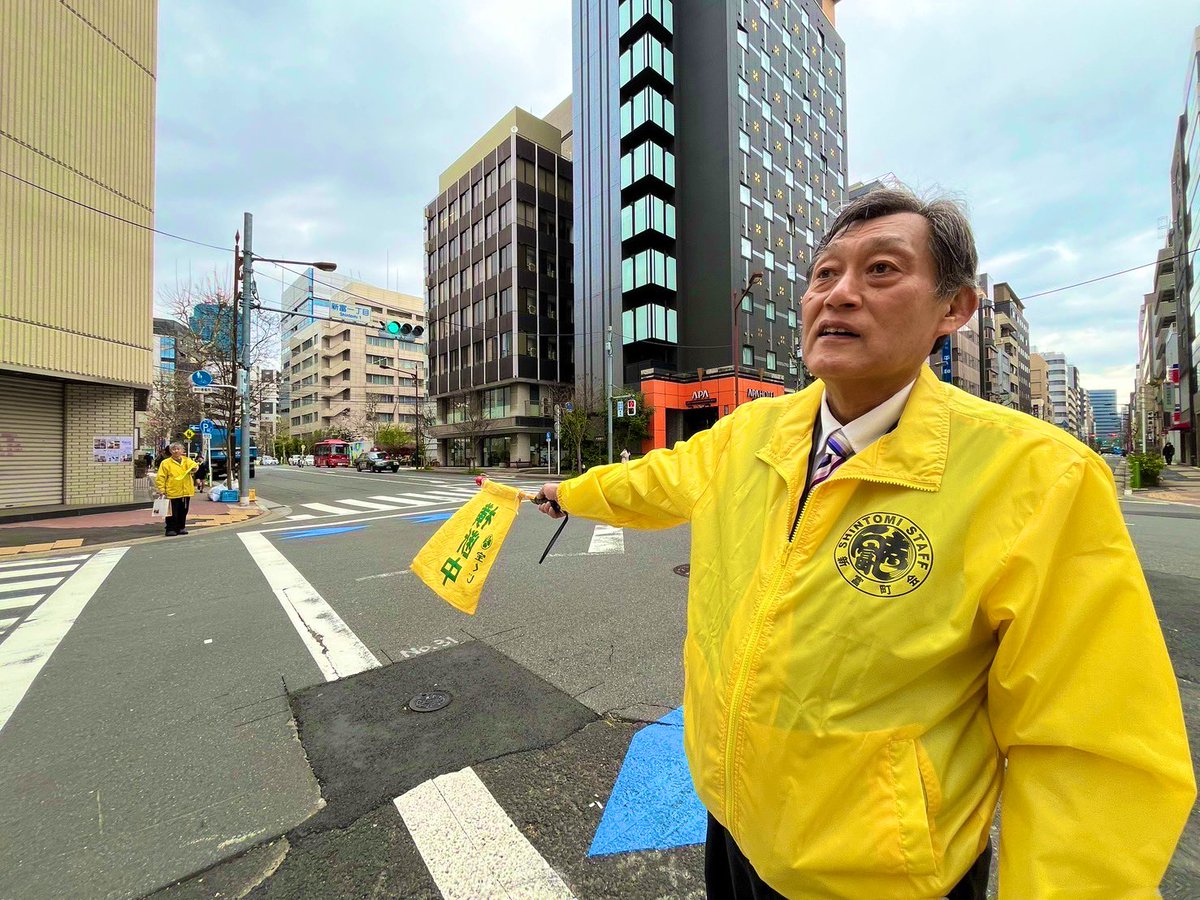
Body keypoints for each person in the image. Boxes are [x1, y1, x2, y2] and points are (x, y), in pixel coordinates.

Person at [535, 187, 1195, 898]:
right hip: (735, 827)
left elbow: (1089, 752)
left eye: (881, 270)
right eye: (824, 275)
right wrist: (567, 493)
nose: (839, 294)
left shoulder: (1038, 477)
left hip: (882, 877)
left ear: (954, 309)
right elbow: (657, 480)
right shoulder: (751, 433)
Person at [155, 442, 198, 537]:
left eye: (178, 449)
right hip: (172, 491)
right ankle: (170, 529)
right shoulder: (165, 463)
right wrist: (161, 489)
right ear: (170, 451)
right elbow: (160, 477)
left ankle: (181, 527)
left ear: (182, 450)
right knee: (171, 512)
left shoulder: (187, 460)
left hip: (186, 491)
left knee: (183, 510)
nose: (176, 451)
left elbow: (195, 466)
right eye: (174, 449)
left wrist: (195, 468)